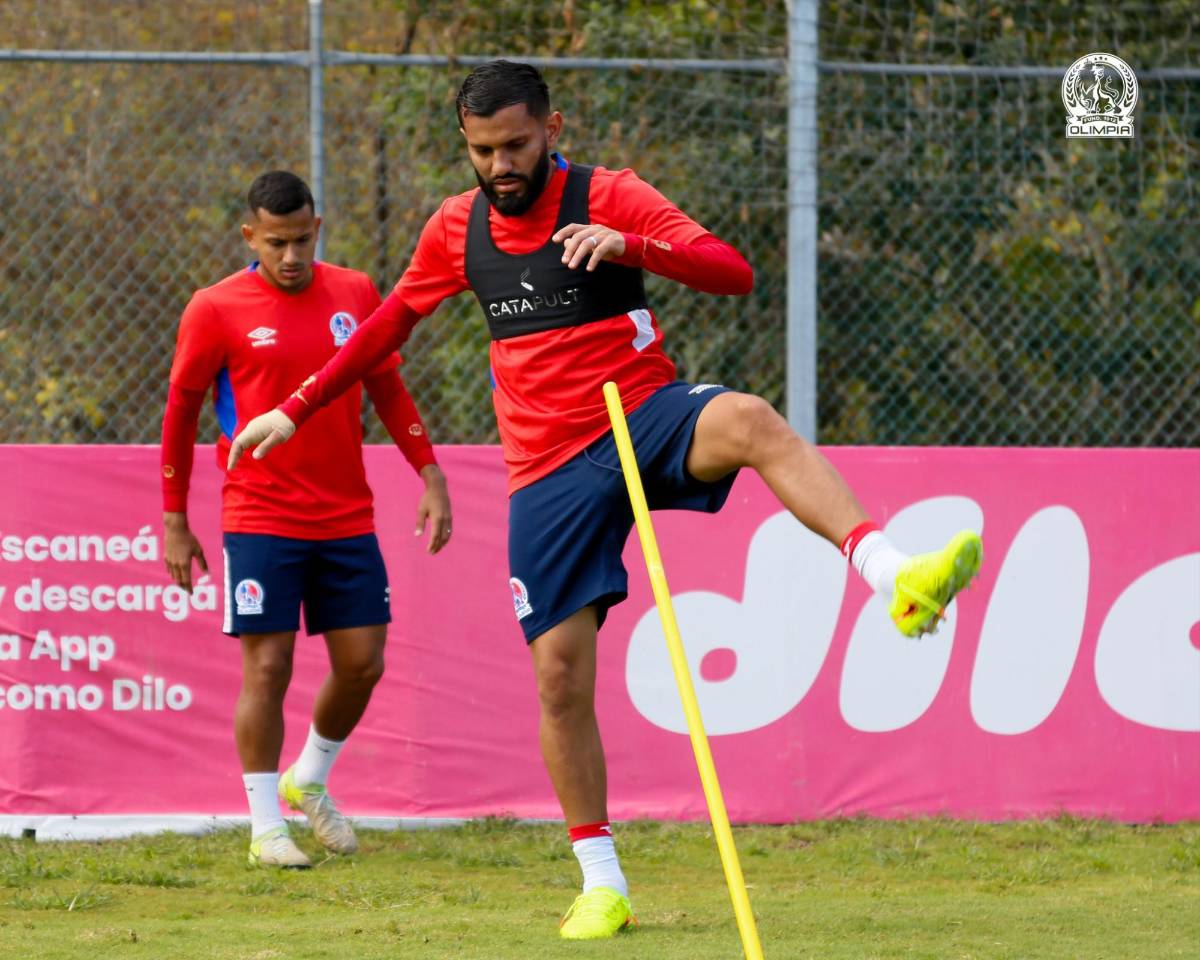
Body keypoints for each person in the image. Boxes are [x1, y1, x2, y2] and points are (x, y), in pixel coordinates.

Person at [228, 63, 982, 931]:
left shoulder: (611, 194)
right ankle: (602, 882)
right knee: (559, 677)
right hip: (546, 470)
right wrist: (296, 407)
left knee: (749, 419)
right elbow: (389, 325)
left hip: (642, 414)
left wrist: (631, 246)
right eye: (483, 150)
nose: (501, 165)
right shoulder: (455, 228)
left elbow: (731, 271)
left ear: (553, 130)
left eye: (516, 145)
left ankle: (892, 576)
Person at [161, 170, 452, 869]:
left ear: (317, 229)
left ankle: (310, 777)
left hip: (346, 513)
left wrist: (430, 472)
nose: (291, 256)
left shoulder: (355, 292)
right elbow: (180, 412)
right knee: (268, 665)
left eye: (301, 240)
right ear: (249, 236)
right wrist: (174, 518)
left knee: (363, 664)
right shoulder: (214, 308)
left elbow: (387, 386)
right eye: (276, 243)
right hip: (258, 512)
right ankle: (266, 828)